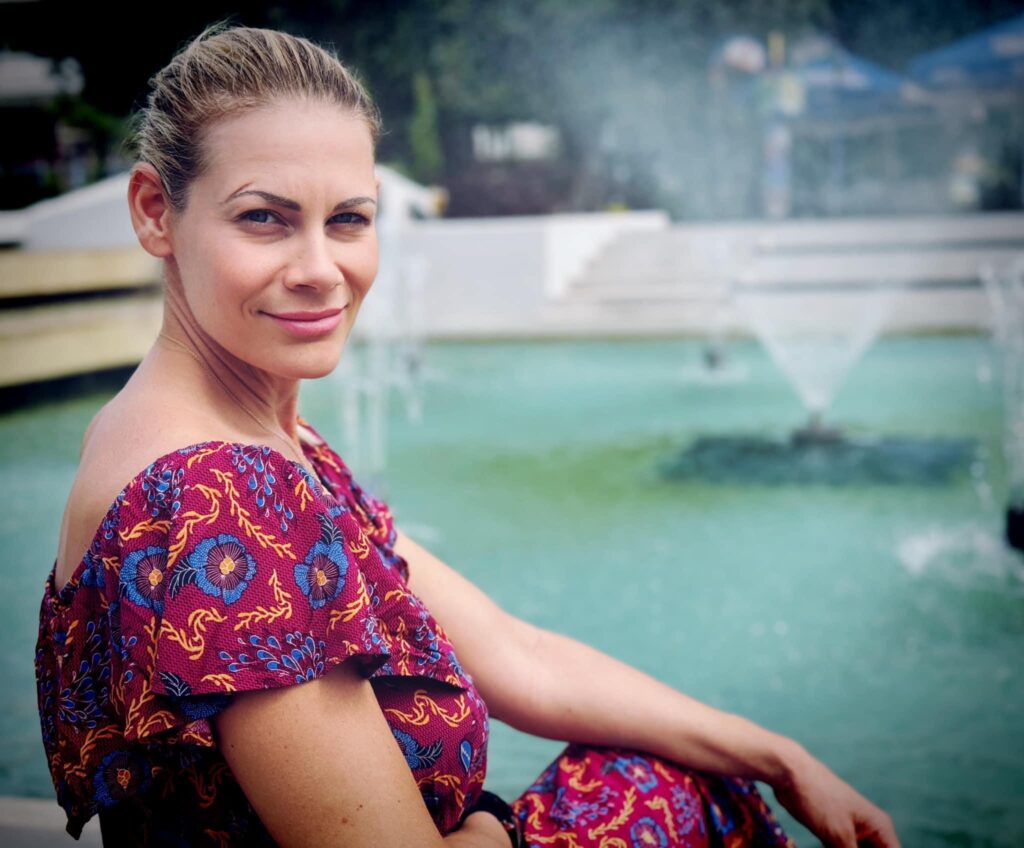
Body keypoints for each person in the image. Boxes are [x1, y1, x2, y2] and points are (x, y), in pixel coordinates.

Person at [34, 22, 901, 848]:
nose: (319, 270)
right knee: (670, 795)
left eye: (348, 219)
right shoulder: (215, 497)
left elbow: (519, 656)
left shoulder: (226, 444)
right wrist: (489, 823)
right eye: (263, 218)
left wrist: (778, 756)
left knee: (683, 767)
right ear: (155, 211)